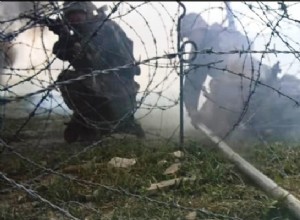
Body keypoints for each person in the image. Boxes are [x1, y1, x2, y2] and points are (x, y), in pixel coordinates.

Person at [49, 1, 144, 143]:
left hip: (119, 85)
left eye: (77, 14)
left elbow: (93, 60)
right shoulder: (83, 31)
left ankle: (92, 124)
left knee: (73, 81)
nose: (73, 19)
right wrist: (64, 36)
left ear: (87, 12)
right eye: (69, 15)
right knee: (73, 79)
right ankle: (88, 121)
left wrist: (69, 38)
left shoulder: (103, 28)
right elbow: (62, 53)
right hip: (104, 83)